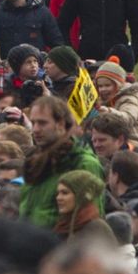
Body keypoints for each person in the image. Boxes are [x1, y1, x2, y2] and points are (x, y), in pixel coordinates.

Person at [17, 95, 105, 231]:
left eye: (42, 123)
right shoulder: (34, 163)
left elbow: (90, 219)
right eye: (33, 123)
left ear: (61, 124)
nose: (35, 129)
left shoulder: (82, 162)